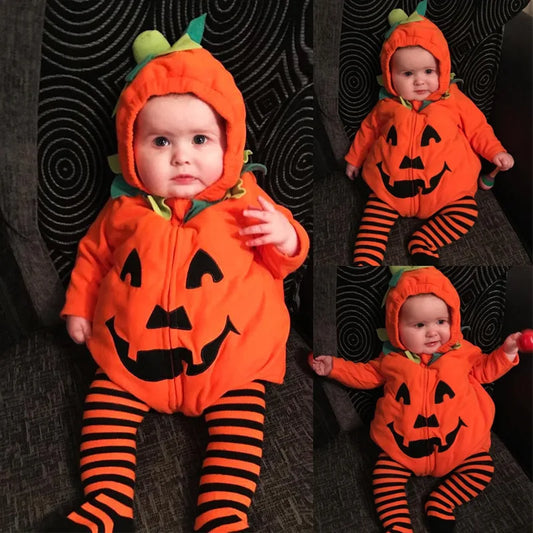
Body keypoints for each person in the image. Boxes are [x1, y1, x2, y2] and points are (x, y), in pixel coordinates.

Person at [55, 14, 309, 533]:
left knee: (241, 429)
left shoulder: (247, 201)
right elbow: (94, 257)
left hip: (230, 362)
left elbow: (285, 256)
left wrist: (287, 238)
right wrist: (79, 307)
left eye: (199, 140)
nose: (181, 159)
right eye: (161, 143)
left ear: (229, 145)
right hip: (132, 354)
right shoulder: (123, 211)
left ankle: (223, 516)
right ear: (130, 149)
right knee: (103, 406)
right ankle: (107, 504)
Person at [311, 266, 522, 533]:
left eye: (440, 322)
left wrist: (508, 351)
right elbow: (364, 374)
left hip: (462, 445)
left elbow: (486, 370)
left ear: (453, 321)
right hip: (401, 448)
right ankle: (398, 526)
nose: (432, 332)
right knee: (383, 478)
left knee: (482, 469)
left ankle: (443, 503)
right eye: (419, 325)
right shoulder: (391, 361)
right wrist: (334, 367)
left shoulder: (464, 354)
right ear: (396, 328)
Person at [345, 0, 514, 265]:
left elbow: (478, 128)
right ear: (390, 76)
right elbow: (367, 131)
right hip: (389, 191)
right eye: (408, 73)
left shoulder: (454, 100)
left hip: (448, 189)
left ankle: (424, 241)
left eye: (428, 71)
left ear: (443, 70)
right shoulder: (386, 106)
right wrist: (354, 159)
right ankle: (366, 262)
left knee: (467, 212)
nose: (420, 80)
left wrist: (495, 152)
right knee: (372, 219)